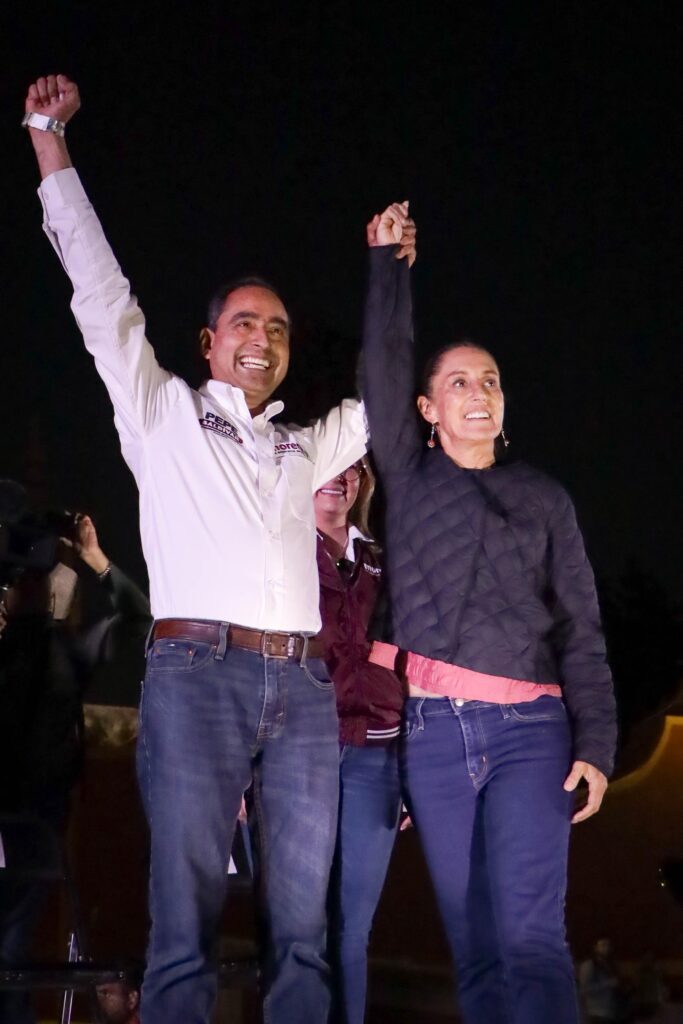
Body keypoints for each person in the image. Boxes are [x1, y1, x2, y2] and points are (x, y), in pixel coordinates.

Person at [23, 75, 367, 1024]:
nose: (263, 339)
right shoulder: (163, 411)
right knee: (184, 924)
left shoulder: (306, 445)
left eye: (279, 329)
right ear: (210, 343)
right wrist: (50, 145)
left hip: (300, 690)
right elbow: (99, 292)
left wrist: (390, 271)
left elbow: (386, 393)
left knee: (303, 934)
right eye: (245, 324)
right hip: (196, 673)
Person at [361, 202, 617, 1024]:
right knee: (472, 946)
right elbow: (386, 364)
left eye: (491, 380)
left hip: (528, 734)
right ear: (428, 409)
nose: (479, 393)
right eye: (459, 383)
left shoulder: (543, 497)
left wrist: (598, 745)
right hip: (435, 738)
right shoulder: (405, 475)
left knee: (530, 937)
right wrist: (388, 268)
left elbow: (581, 628)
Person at [0, 508, 149, 1024]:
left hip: (34, 822)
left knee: (11, 964)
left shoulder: (60, 651)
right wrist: (93, 561)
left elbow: (139, 624)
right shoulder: (62, 651)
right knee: (11, 962)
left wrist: (93, 559)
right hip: (37, 821)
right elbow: (136, 620)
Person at [314, 458, 404, 1024]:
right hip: (301, 752)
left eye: (353, 469)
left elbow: (419, 658)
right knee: (298, 922)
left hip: (377, 754)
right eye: (328, 464)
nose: (340, 477)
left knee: (352, 927)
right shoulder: (274, 551)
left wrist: (413, 770)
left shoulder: (383, 561)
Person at [578, 938, 623, 1022]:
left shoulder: (611, 966)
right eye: (603, 945)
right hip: (595, 1013)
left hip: (610, 1012)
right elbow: (584, 989)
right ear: (595, 947)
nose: (606, 948)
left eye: (608, 945)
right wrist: (608, 983)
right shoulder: (589, 965)